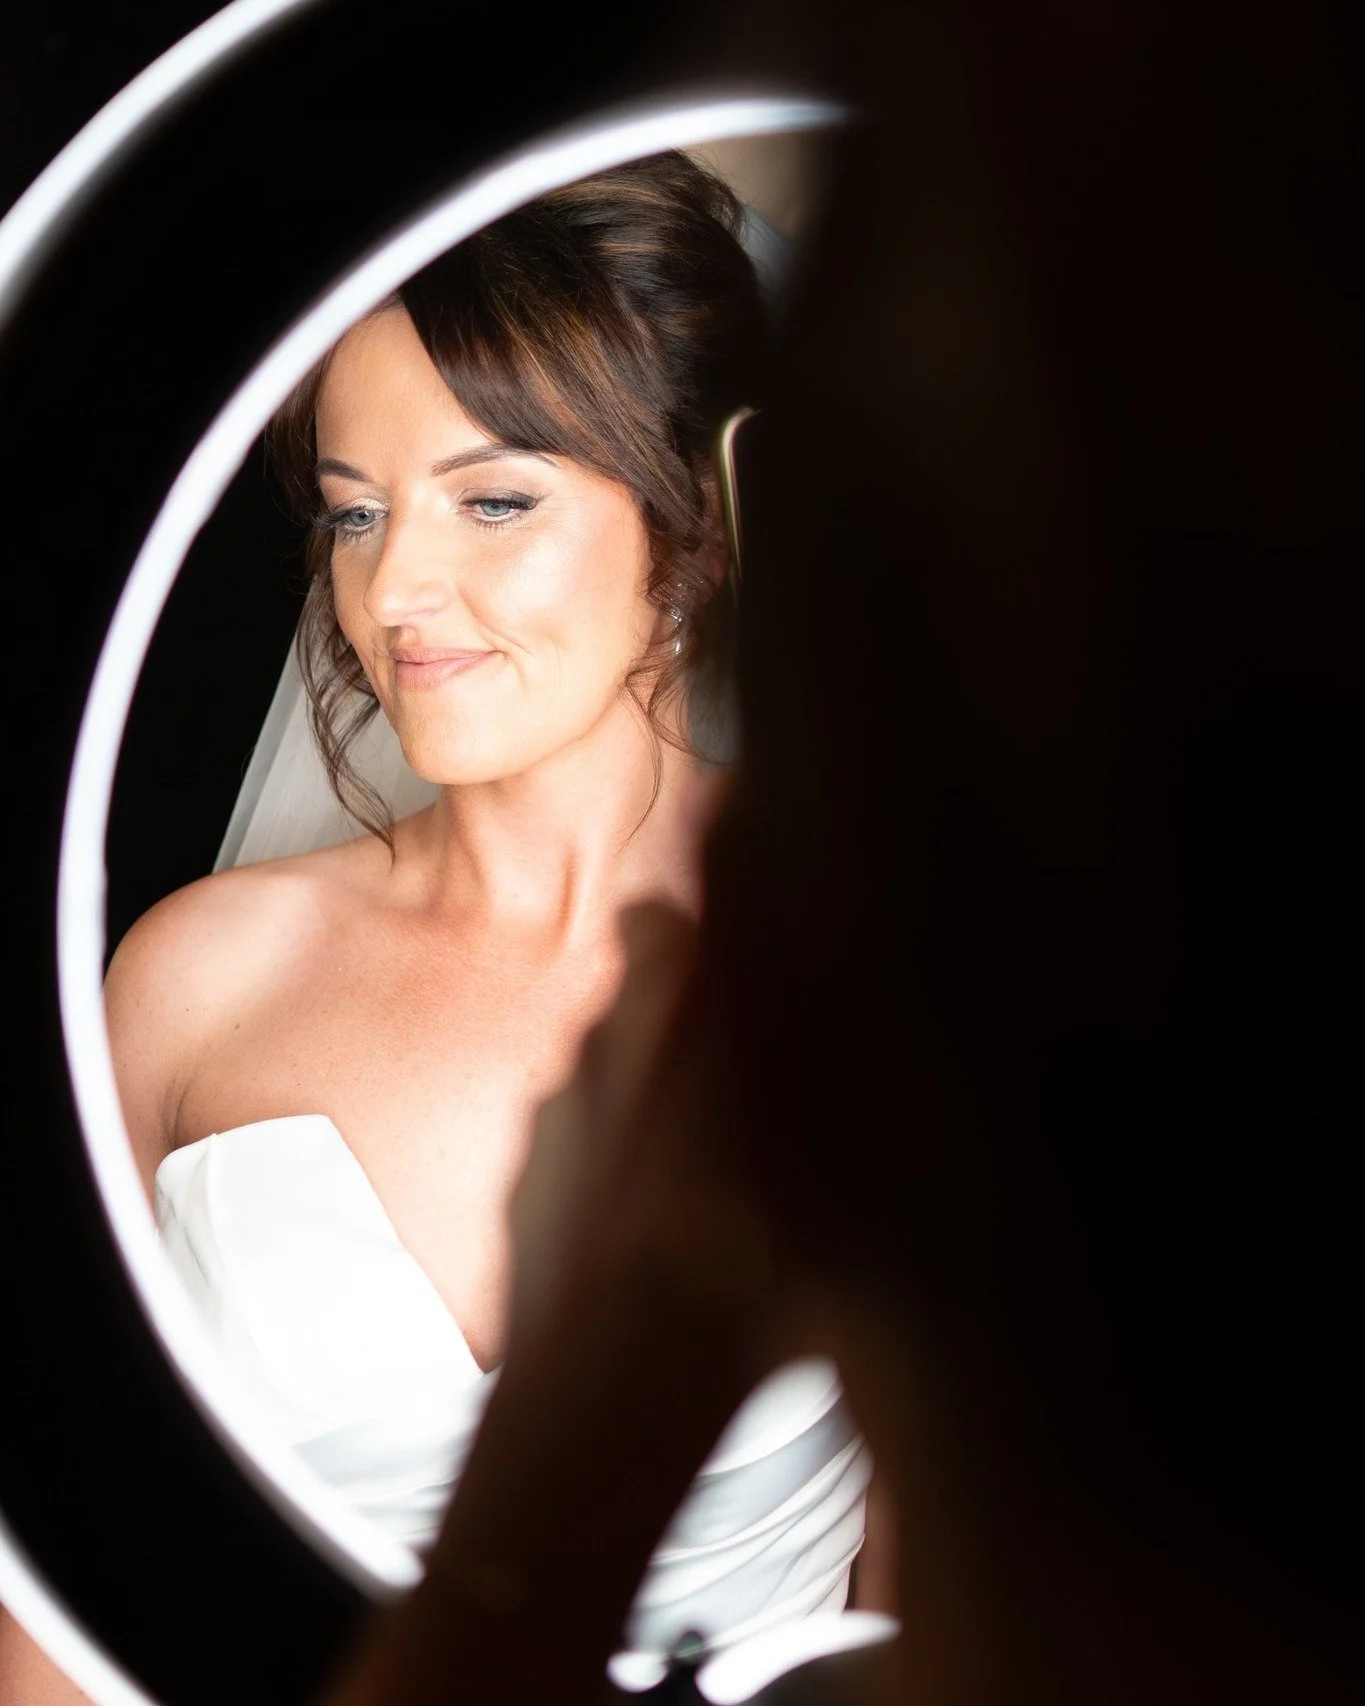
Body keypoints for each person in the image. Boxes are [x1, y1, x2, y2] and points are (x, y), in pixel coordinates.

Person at [112, 146, 870, 1662]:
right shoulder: (196, 982)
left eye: (493, 499)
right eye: (354, 515)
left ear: (695, 529)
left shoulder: (883, 980)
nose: (393, 590)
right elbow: (64, 1570)